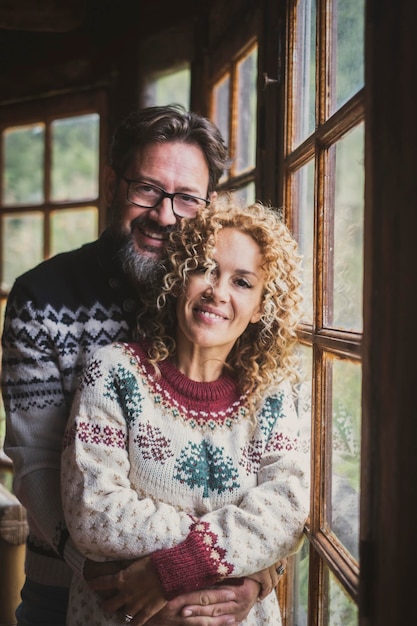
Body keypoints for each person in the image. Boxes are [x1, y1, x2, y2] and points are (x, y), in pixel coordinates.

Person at [1, 105, 271, 626]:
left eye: (186, 198)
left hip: (215, 594)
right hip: (69, 589)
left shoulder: (219, 309)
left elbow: (268, 473)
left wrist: (257, 577)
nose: (165, 214)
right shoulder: (41, 297)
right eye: (146, 188)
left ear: (207, 205)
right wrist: (105, 577)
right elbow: (33, 460)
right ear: (112, 184)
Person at [61, 197, 310, 626]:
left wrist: (170, 571)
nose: (217, 291)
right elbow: (92, 511)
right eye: (204, 268)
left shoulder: (273, 394)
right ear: (179, 276)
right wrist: (241, 556)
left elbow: (286, 510)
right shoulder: (114, 371)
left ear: (260, 309)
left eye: (243, 282)